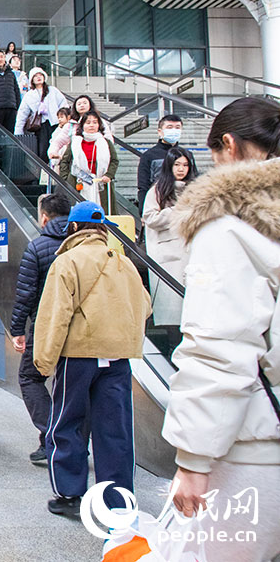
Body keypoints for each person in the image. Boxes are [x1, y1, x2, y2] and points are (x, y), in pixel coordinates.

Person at [161, 97, 280, 561]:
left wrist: (193, 459)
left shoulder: (228, 225)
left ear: (227, 145)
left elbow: (219, 347)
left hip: (256, 448)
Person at [34, 201, 151, 516]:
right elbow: (145, 305)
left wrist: (44, 361)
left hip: (78, 357)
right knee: (115, 429)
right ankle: (118, 501)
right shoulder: (123, 263)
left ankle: (70, 495)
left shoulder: (68, 261)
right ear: (103, 229)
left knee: (67, 424)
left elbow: (55, 315)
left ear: (72, 227)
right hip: (117, 358)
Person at [9, 194, 71, 464]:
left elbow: (26, 293)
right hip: (81, 327)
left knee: (30, 377)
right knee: (72, 383)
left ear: (44, 217)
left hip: (45, 325)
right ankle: (74, 439)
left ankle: (51, 437)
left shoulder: (38, 246)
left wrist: (17, 329)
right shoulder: (81, 244)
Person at [141, 147, 198, 351]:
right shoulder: (157, 190)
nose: (181, 169)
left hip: (192, 253)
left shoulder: (197, 190)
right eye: (177, 164)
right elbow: (149, 218)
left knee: (191, 308)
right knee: (173, 309)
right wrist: (176, 211)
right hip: (168, 256)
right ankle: (174, 350)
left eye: (185, 165)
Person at [58, 111, 119, 212]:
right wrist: (66, 178)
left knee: (103, 213)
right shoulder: (75, 142)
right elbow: (65, 161)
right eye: (88, 122)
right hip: (78, 183)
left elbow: (114, 160)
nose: (92, 125)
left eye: (95, 122)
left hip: (100, 184)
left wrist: (109, 175)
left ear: (99, 125)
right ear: (82, 125)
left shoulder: (105, 142)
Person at [14, 67, 68, 160]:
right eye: (35, 76)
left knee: (59, 147)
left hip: (56, 123)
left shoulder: (52, 90)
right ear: (32, 80)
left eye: (40, 75)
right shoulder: (29, 95)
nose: (39, 77)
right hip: (41, 126)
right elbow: (22, 114)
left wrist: (65, 119)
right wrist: (18, 132)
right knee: (43, 150)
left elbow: (64, 105)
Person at [136, 114, 183, 212]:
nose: (174, 130)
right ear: (160, 132)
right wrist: (143, 212)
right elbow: (143, 186)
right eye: (169, 127)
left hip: (182, 206)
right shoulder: (149, 156)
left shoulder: (186, 155)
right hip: (157, 206)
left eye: (177, 127)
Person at [47, 94, 113, 162]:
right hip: (76, 162)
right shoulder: (70, 125)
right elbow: (59, 141)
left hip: (96, 160)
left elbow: (108, 138)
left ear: (90, 105)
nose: (82, 105)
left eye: (85, 103)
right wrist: (53, 151)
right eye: (79, 104)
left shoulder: (100, 121)